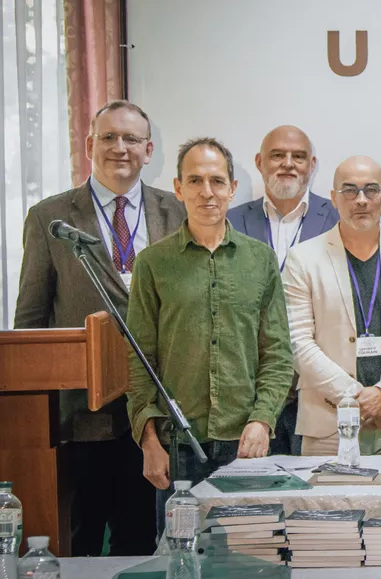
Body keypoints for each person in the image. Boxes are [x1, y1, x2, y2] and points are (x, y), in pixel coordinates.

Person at [14, 100, 184, 556]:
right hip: (81, 420)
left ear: (148, 150)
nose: (119, 148)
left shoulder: (177, 211)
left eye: (131, 138)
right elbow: (30, 322)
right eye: (108, 137)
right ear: (89, 145)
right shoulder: (50, 217)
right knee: (81, 542)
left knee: (144, 544)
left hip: (157, 414)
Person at [125, 137, 293, 536]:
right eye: (195, 181)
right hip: (179, 449)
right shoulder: (152, 264)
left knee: (251, 554)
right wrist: (149, 440)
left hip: (246, 445)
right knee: (180, 556)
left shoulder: (260, 259)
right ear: (178, 188)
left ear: (232, 188)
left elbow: (278, 353)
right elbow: (138, 360)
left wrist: (262, 420)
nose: (207, 192)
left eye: (217, 181)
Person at [284, 156, 381, 455]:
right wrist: (354, 397)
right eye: (349, 190)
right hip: (328, 422)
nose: (361, 200)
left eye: (371, 190)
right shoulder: (302, 259)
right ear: (333, 198)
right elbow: (297, 341)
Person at [227, 125, 339, 454]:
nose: (288, 163)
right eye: (277, 155)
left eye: (298, 157)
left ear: (312, 165)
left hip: (317, 387)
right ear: (259, 162)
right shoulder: (230, 221)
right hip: (252, 386)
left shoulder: (338, 219)